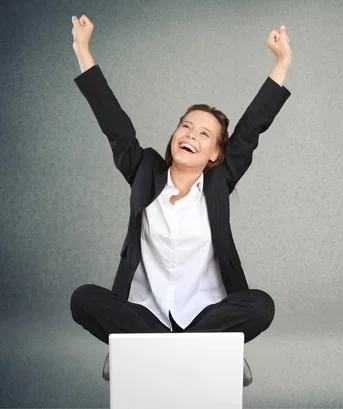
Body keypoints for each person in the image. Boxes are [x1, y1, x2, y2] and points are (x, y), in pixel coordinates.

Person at [68, 14, 292, 387]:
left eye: (205, 133)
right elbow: (113, 122)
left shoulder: (220, 182)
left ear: (216, 154)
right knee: (83, 299)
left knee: (260, 305)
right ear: (175, 134)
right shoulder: (143, 172)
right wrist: (82, 49)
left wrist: (281, 62)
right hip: (146, 316)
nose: (191, 135)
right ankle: (210, 353)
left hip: (205, 316)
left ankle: (140, 351)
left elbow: (251, 128)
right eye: (186, 126)